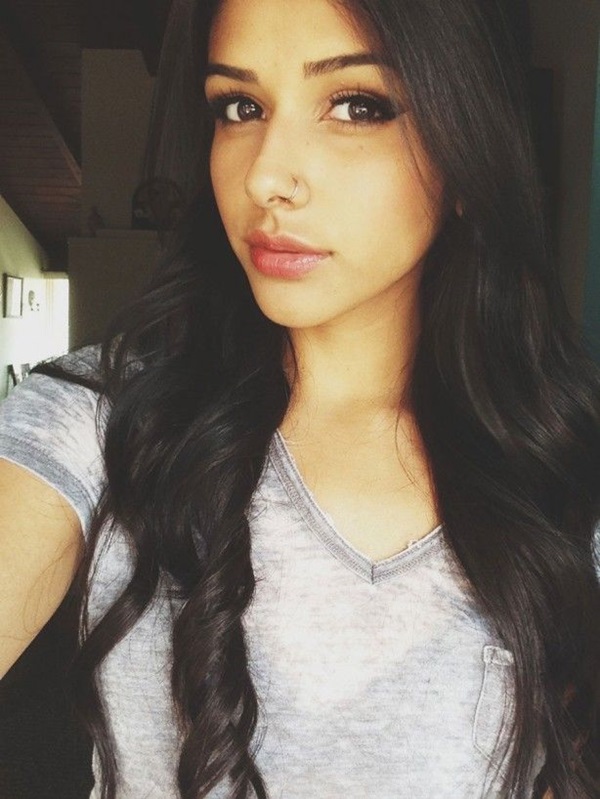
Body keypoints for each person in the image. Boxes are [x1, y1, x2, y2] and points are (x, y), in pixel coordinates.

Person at [0, 0, 599, 797]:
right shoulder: (97, 423)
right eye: (240, 107)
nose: (265, 177)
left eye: (357, 106)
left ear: (467, 151)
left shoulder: (564, 471)